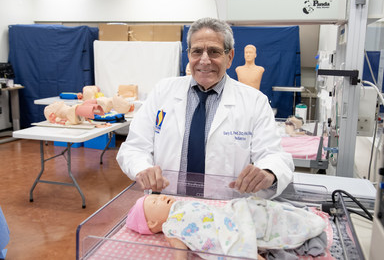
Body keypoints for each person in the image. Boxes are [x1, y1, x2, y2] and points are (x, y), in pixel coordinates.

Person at [116, 17, 294, 199]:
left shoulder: (254, 101)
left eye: (214, 52)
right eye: (197, 51)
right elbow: (134, 147)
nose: (204, 60)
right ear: (189, 55)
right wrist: (143, 168)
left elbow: (273, 155)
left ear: (230, 57)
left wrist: (267, 172)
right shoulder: (163, 91)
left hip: (225, 212)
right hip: (167, 205)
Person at [126, 194, 327, 260]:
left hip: (230, 218)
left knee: (254, 208)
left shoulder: (182, 204)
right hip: (223, 238)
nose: (161, 197)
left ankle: (299, 223)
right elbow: (180, 253)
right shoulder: (171, 228)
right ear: (152, 223)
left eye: (157, 195)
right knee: (240, 248)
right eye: (155, 203)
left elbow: (213, 211)